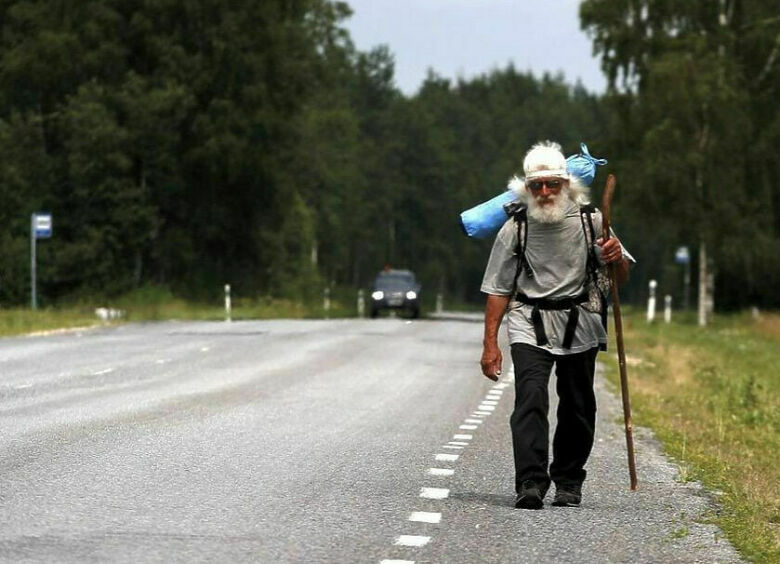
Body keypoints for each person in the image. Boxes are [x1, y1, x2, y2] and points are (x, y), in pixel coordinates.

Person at [479, 141, 634, 510]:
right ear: (526, 188)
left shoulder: (592, 220)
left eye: (552, 184)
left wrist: (615, 258)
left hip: (580, 321)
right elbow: (498, 289)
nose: (545, 193)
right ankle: (530, 482)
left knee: (578, 405)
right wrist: (490, 345)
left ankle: (568, 481)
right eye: (537, 186)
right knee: (530, 397)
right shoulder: (514, 227)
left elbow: (620, 278)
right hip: (528, 321)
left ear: (566, 184)